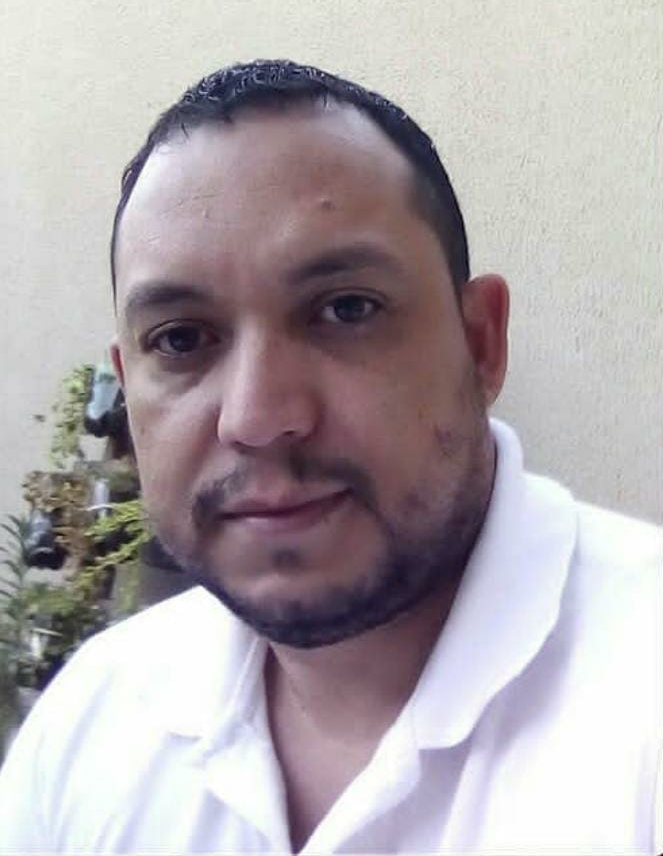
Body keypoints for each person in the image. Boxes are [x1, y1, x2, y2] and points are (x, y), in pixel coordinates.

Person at [0, 59, 660, 855]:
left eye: (346, 309)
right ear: (126, 383)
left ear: (480, 343)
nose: (257, 417)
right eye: (180, 339)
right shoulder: (91, 722)